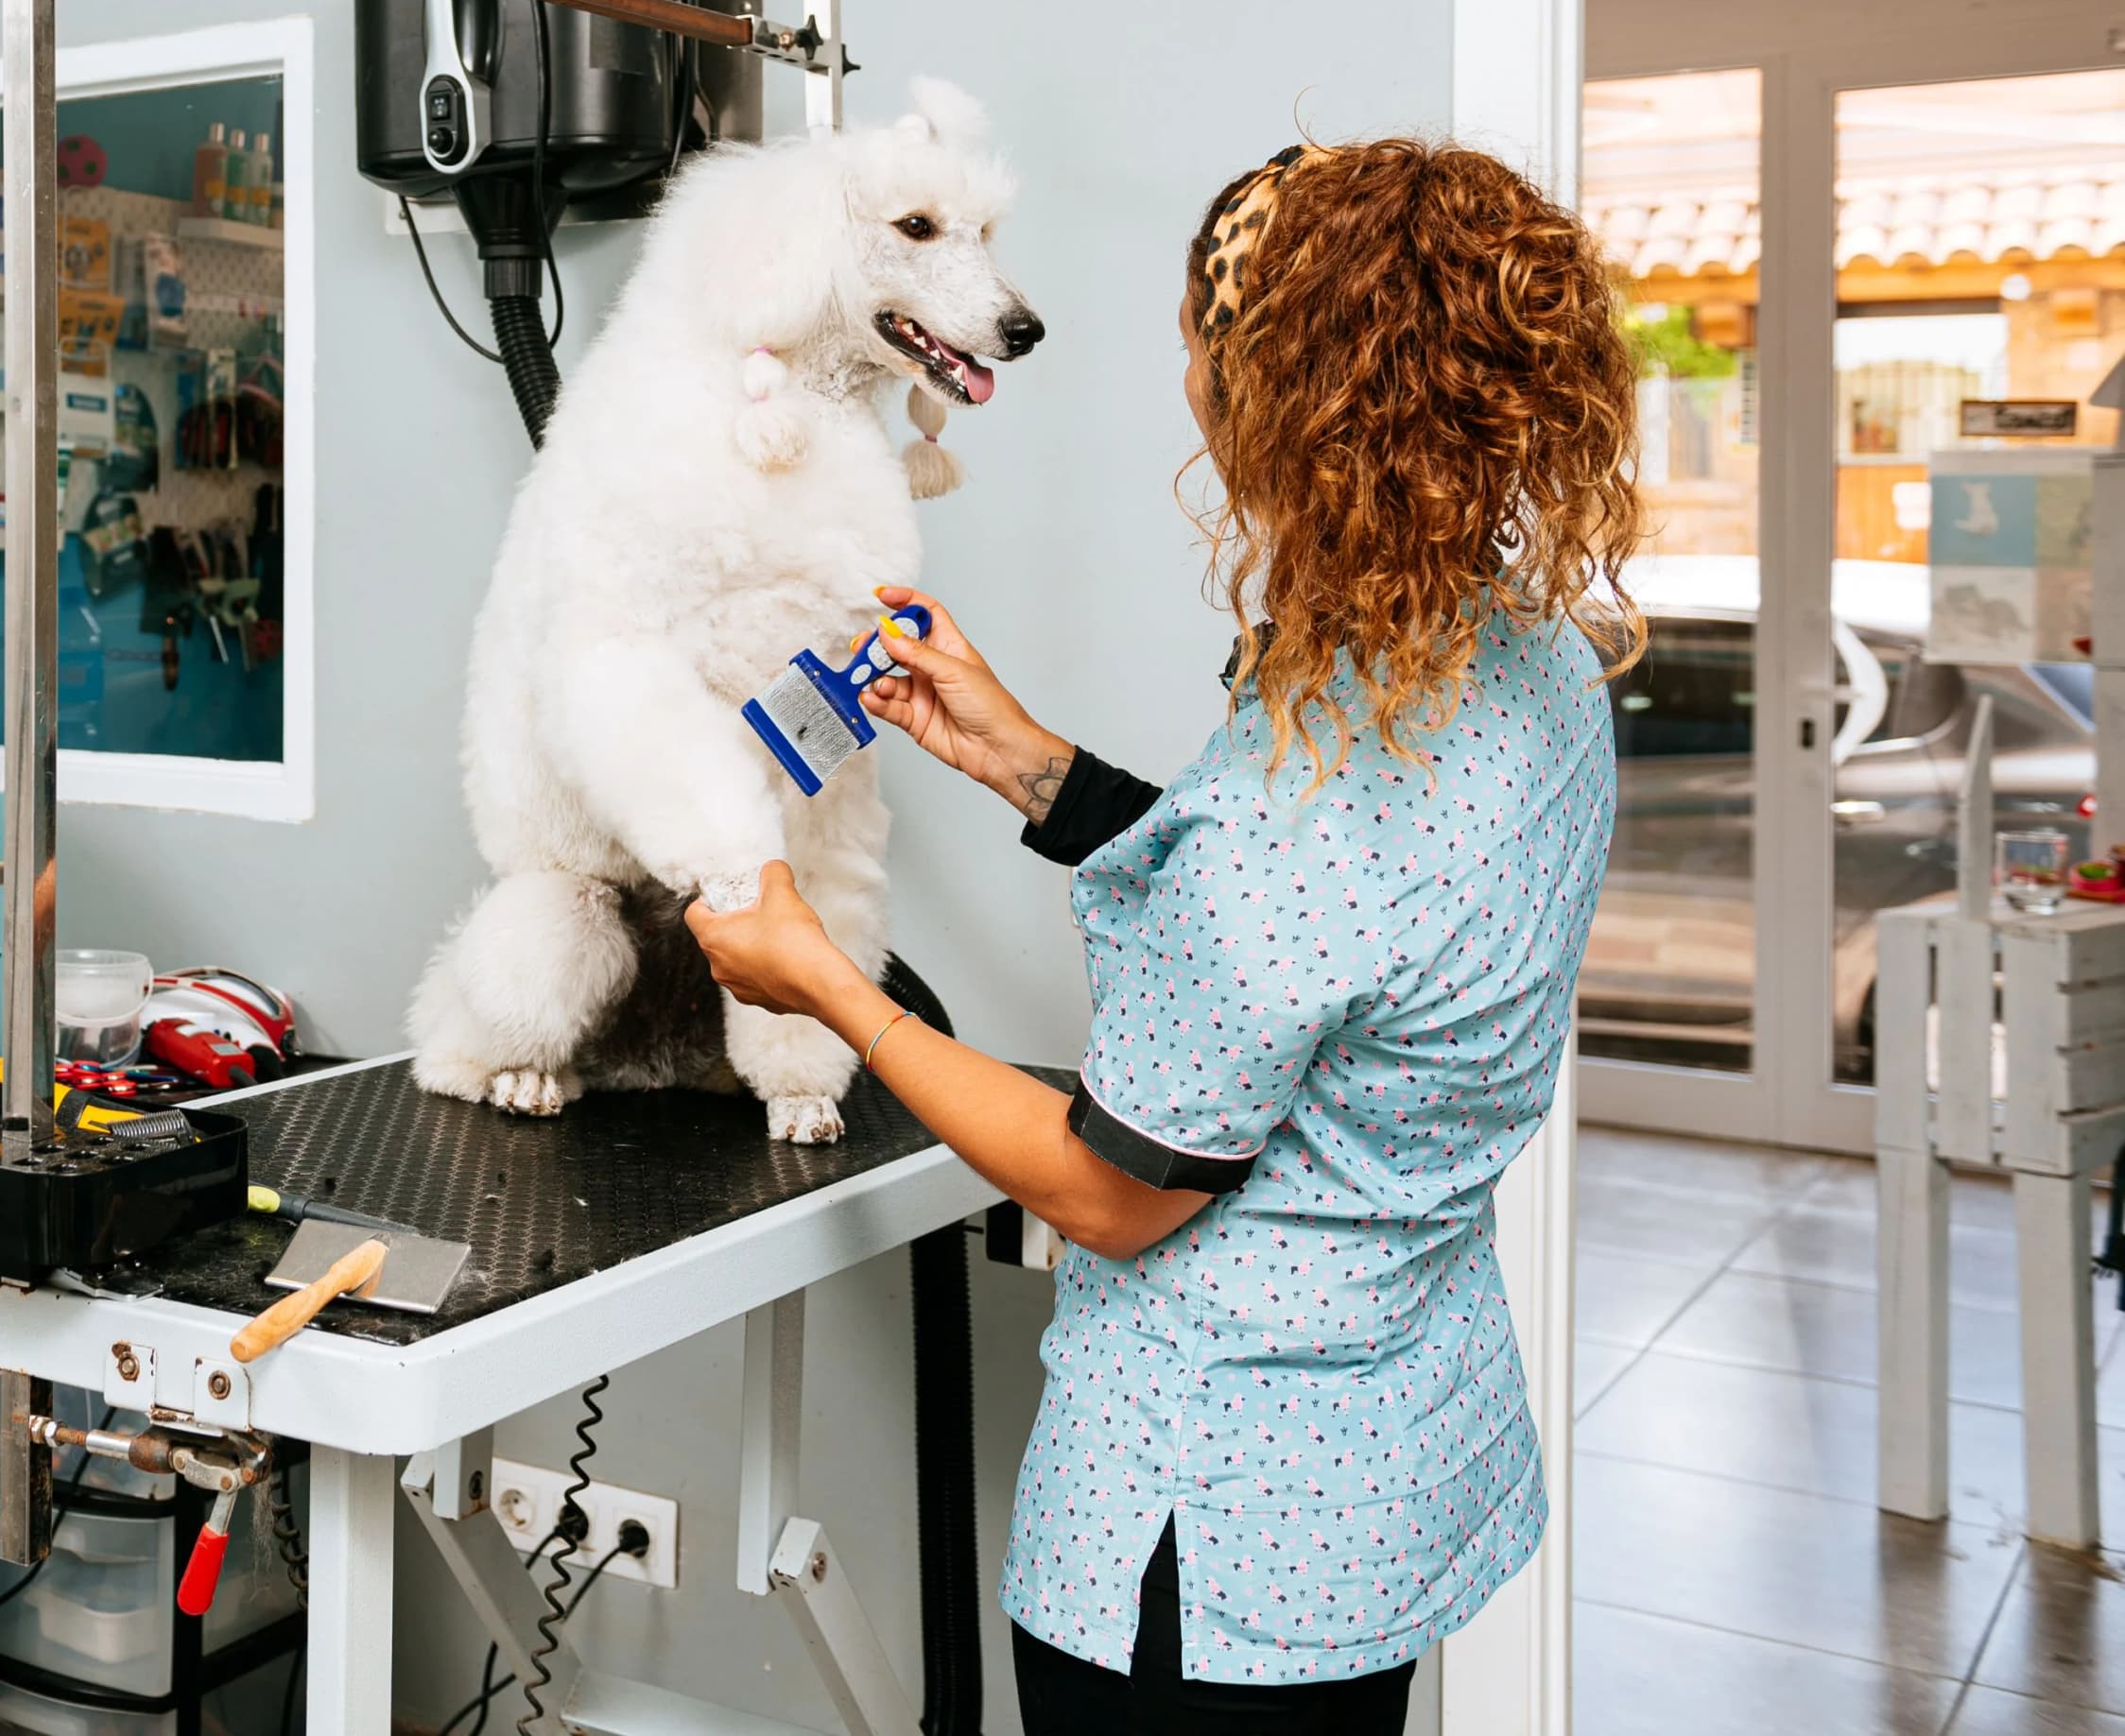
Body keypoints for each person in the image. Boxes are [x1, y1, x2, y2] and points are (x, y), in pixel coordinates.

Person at [687, 140, 1637, 1734]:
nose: (1186, 380)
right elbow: (1332, 948)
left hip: (1211, 1544)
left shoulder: (1288, 811)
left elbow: (1106, 1191)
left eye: (1201, 347)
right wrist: (1031, 765)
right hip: (1383, 1477)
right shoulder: (1533, 670)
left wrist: (824, 983)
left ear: (1271, 398)